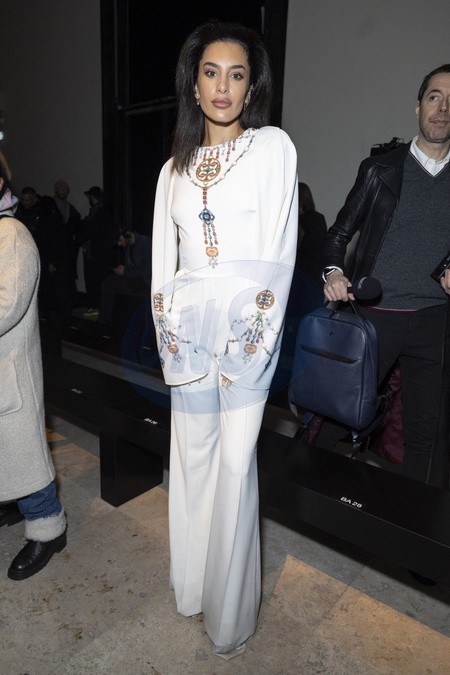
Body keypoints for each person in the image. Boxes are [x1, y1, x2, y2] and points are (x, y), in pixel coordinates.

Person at [151, 21, 298, 658]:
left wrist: (255, 339)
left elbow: (279, 248)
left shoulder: (272, 150)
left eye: (236, 75)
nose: (222, 86)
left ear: (251, 87)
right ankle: (192, 588)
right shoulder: (172, 170)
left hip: (247, 333)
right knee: (192, 462)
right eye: (210, 72)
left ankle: (229, 619)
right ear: (193, 83)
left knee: (236, 466)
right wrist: (168, 334)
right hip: (188, 335)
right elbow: (164, 264)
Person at [317, 64, 450, 488]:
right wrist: (334, 272)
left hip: (435, 320)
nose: (443, 108)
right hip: (375, 315)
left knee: (426, 436)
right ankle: (300, 488)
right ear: (418, 107)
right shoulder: (380, 170)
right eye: (434, 97)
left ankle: (413, 518)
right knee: (337, 414)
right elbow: (338, 234)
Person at [0, 152, 66, 580]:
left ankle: (47, 525)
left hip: (10, 369)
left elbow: (8, 305)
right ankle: (12, 502)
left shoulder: (12, 233)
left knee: (25, 452)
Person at [98, 229, 151, 325]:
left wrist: (125, 271)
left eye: (119, 240)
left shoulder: (144, 242)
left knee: (119, 285)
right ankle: (105, 318)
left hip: (145, 279)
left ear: (126, 235)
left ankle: (111, 318)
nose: (119, 244)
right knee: (108, 282)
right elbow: (131, 266)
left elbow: (148, 268)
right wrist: (123, 269)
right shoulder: (129, 246)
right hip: (134, 276)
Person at [77, 186, 114, 317]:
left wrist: (80, 237)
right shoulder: (98, 211)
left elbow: (93, 231)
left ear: (93, 197)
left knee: (95, 280)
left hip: (97, 253)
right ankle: (95, 306)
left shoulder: (100, 212)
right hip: (95, 252)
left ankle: (96, 306)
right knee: (93, 280)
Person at [295, 182, 327, 287]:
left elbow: (308, 247)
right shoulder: (317, 219)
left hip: (307, 274)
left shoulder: (315, 219)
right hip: (306, 274)